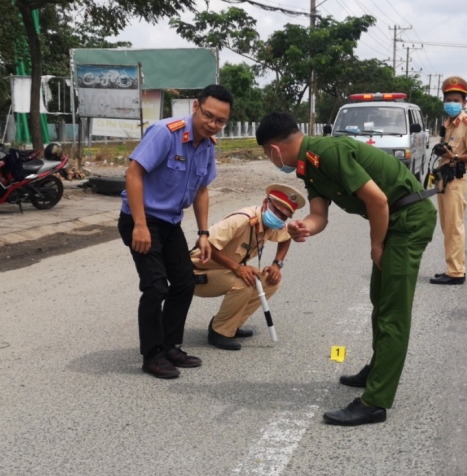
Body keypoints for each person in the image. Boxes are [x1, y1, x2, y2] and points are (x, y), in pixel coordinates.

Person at [255, 112, 437, 427]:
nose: (271, 161)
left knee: (393, 311)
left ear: (273, 149)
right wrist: (303, 228)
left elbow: (378, 201)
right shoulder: (309, 166)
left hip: (407, 220)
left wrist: (376, 247)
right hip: (394, 221)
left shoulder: (328, 152)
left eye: (266, 156)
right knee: (379, 299)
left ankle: (375, 402)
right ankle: (378, 369)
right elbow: (319, 215)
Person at [117, 84, 233, 379]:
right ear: (196, 106)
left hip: (170, 222)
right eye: (208, 116)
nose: (212, 124)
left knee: (184, 282)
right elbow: (134, 172)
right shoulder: (165, 132)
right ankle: (152, 354)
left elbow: (202, 190)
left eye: (220, 121)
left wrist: (204, 233)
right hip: (141, 220)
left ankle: (170, 346)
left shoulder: (207, 146)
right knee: (156, 286)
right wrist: (140, 226)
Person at [190, 184, 305, 351]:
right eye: (277, 211)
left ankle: (231, 325)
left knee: (270, 281)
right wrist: (237, 268)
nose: (279, 217)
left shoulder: (270, 223)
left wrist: (276, 264)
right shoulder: (242, 220)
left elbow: (287, 235)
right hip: (196, 273)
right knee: (245, 282)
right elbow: (204, 244)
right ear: (266, 202)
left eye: (284, 216)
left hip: (223, 270)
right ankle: (218, 332)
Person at [430, 76, 467, 286]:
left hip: (455, 180)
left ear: (464, 103)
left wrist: (454, 157)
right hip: (445, 179)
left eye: (456, 100)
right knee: (447, 227)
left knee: (454, 227)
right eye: (448, 99)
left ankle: (456, 273)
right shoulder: (448, 123)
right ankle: (453, 267)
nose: (451, 103)